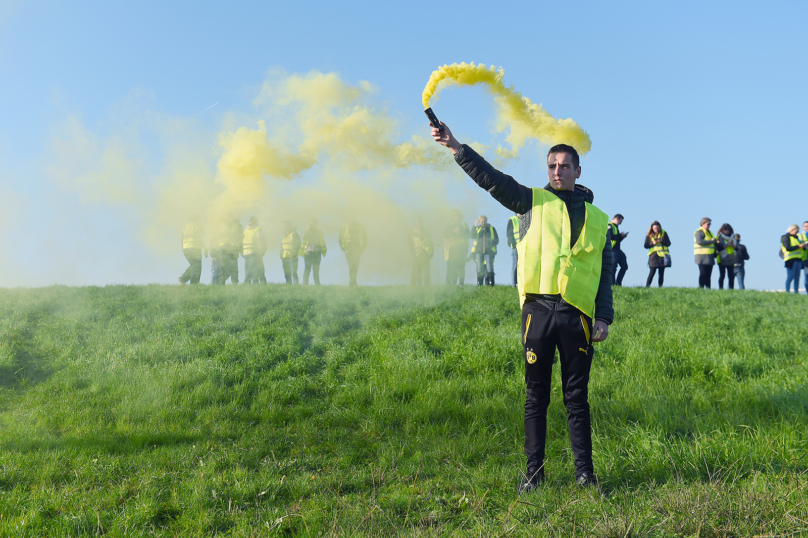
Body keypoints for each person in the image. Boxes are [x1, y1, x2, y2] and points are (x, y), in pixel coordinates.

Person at [432, 122, 614, 490]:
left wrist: (604, 317)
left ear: (578, 171)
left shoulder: (599, 219)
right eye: (551, 166)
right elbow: (492, 179)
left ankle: (584, 475)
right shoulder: (531, 200)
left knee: (577, 400)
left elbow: (604, 272)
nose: (557, 171)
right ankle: (534, 473)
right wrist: (455, 146)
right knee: (536, 399)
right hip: (537, 313)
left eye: (564, 166)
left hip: (577, 314)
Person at [694, 217, 723, 289]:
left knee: (708, 275)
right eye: (708, 224)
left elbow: (713, 242)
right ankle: (701, 288)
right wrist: (711, 241)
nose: (709, 225)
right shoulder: (699, 232)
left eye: (710, 224)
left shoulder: (710, 233)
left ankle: (708, 289)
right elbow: (699, 242)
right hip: (701, 256)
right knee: (703, 273)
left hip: (710, 256)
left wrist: (716, 242)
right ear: (703, 224)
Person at [211, 219, 242, 284]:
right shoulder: (238, 226)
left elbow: (213, 239)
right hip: (232, 249)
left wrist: (212, 253)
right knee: (233, 269)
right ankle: (235, 285)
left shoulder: (220, 225)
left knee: (222, 269)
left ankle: (220, 285)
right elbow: (241, 238)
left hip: (223, 249)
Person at [179, 215, 208, 285]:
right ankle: (192, 283)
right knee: (197, 267)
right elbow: (199, 239)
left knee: (194, 265)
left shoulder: (185, 227)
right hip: (195, 248)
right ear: (198, 219)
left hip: (186, 248)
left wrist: (183, 250)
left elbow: (182, 238)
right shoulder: (198, 227)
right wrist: (205, 249)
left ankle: (184, 279)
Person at [444, 210, 470, 285]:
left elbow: (468, 234)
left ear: (460, 216)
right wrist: (453, 231)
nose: (456, 216)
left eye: (457, 215)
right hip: (453, 247)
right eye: (454, 215)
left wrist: (460, 231)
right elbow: (446, 234)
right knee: (453, 265)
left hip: (463, 247)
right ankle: (454, 283)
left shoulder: (464, 224)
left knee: (461, 265)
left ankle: (461, 283)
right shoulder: (449, 225)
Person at [472, 215, 498, 286]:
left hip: (489, 252)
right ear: (480, 222)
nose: (483, 223)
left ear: (486, 221)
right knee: (479, 268)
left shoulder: (491, 229)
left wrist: (491, 243)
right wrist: (475, 225)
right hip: (479, 251)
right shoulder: (477, 229)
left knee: (489, 267)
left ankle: (491, 283)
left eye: (484, 221)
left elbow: (496, 239)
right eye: (482, 221)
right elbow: (472, 235)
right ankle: (479, 284)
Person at [339, 220, 367, 286]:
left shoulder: (360, 226)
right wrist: (344, 249)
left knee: (355, 265)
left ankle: (352, 281)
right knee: (351, 265)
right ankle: (352, 282)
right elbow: (340, 238)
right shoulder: (344, 227)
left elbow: (365, 238)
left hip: (357, 248)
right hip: (348, 248)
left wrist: (361, 249)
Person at [300, 219, 327, 285]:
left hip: (317, 252)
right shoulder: (306, 230)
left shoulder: (320, 232)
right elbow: (303, 237)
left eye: (313, 223)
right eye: (311, 223)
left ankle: (317, 283)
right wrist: (308, 229)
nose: (312, 225)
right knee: (307, 268)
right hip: (308, 252)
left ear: (316, 224)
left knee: (316, 269)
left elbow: (321, 240)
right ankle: (305, 283)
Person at [643, 221, 670, 288]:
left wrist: (661, 240)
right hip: (653, 256)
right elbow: (645, 245)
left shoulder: (664, 233)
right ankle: (647, 287)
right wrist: (652, 243)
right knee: (652, 272)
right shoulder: (649, 234)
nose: (656, 230)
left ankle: (660, 287)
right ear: (652, 228)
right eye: (654, 228)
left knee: (661, 273)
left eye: (657, 228)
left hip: (662, 256)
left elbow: (669, 243)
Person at [409, 216, 434, 285]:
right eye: (417, 220)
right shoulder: (412, 233)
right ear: (415, 221)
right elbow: (410, 245)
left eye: (419, 220)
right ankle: (416, 287)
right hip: (417, 255)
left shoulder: (427, 232)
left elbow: (431, 243)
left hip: (425, 255)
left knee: (426, 274)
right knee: (417, 273)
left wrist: (431, 253)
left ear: (422, 221)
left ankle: (427, 288)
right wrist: (412, 255)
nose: (418, 222)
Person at [782, 224, 806, 294]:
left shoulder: (797, 238)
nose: (797, 232)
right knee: (790, 277)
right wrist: (799, 246)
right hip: (790, 259)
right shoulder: (786, 237)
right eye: (796, 230)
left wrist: (804, 246)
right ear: (792, 229)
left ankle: (796, 292)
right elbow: (788, 248)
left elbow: (800, 248)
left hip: (798, 259)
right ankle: (787, 291)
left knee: (797, 277)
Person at [242, 216, 267, 284]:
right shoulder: (257, 229)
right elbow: (260, 241)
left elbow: (242, 242)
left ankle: (249, 285)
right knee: (254, 270)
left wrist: (242, 252)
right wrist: (260, 252)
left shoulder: (245, 230)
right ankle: (246, 283)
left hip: (246, 253)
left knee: (249, 270)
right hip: (254, 253)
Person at [716, 223, 738, 290]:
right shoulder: (719, 237)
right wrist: (726, 245)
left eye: (728, 229)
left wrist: (732, 245)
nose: (727, 231)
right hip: (721, 259)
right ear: (722, 230)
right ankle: (721, 289)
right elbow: (718, 248)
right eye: (725, 229)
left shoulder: (733, 238)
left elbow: (737, 249)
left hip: (731, 259)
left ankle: (731, 289)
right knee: (722, 275)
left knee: (731, 276)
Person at [608, 214, 628, 286]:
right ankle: (612, 284)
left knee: (624, 266)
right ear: (616, 218)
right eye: (620, 221)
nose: (621, 223)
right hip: (612, 250)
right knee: (613, 267)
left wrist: (622, 237)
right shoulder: (609, 225)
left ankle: (618, 283)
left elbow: (617, 240)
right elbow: (610, 236)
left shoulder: (616, 227)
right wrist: (620, 235)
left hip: (618, 250)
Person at [507, 213, 521, 287]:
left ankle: (520, 283)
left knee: (522, 265)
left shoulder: (525, 219)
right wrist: (513, 244)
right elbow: (509, 234)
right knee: (515, 264)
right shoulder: (512, 219)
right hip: (516, 246)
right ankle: (514, 283)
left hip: (524, 246)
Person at [800, 222, 808, 292]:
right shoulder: (801, 236)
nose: (807, 227)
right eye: (805, 226)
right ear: (803, 227)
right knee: (807, 276)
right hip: (805, 258)